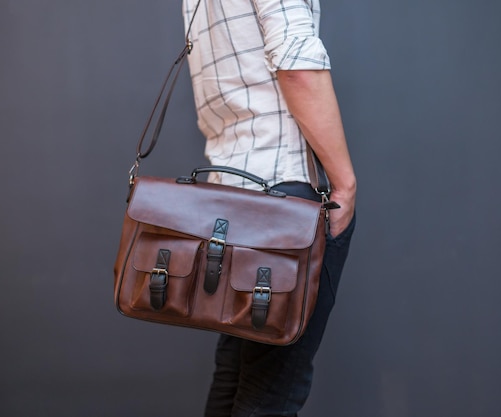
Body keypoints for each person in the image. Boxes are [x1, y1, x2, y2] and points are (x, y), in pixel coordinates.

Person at [182, 1, 357, 415]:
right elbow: (295, 60)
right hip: (283, 198)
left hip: (230, 189)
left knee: (238, 375)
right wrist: (344, 183)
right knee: (272, 392)